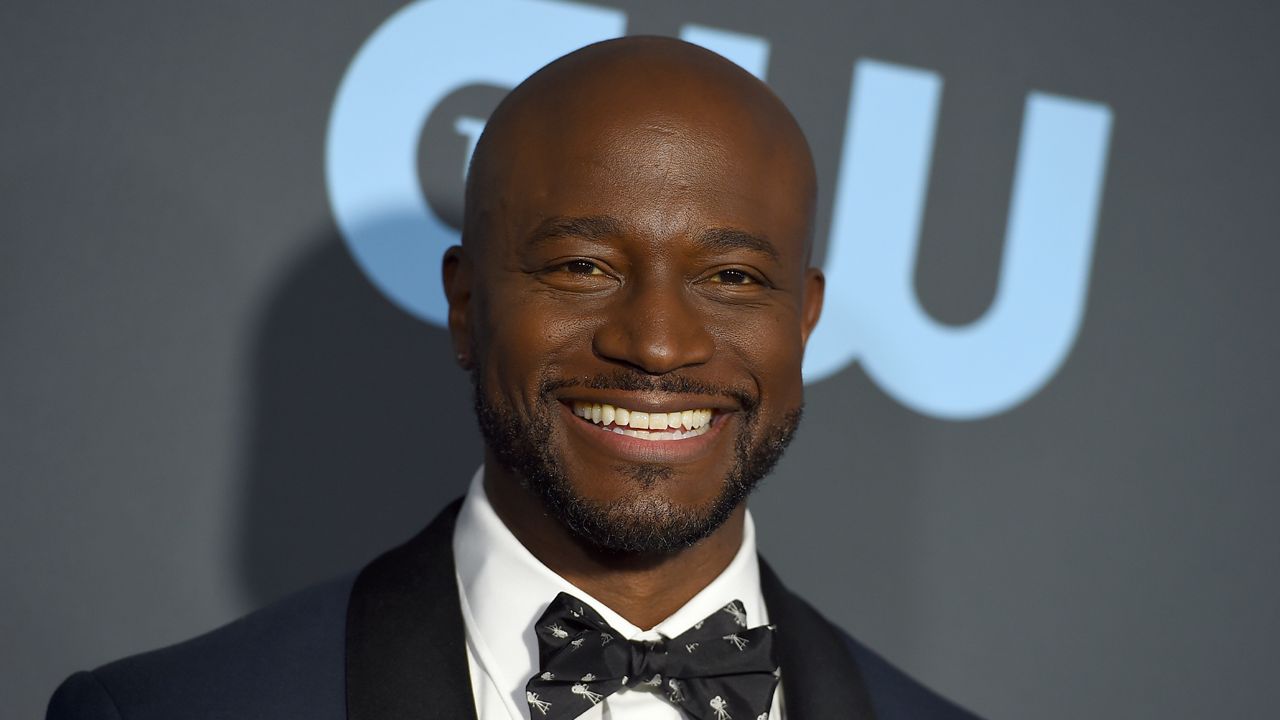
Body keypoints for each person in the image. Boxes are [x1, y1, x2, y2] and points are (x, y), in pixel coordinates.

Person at [48, 37, 980, 720]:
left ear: (803, 321)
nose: (657, 345)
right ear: (466, 305)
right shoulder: (168, 709)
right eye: (583, 267)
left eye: (731, 278)